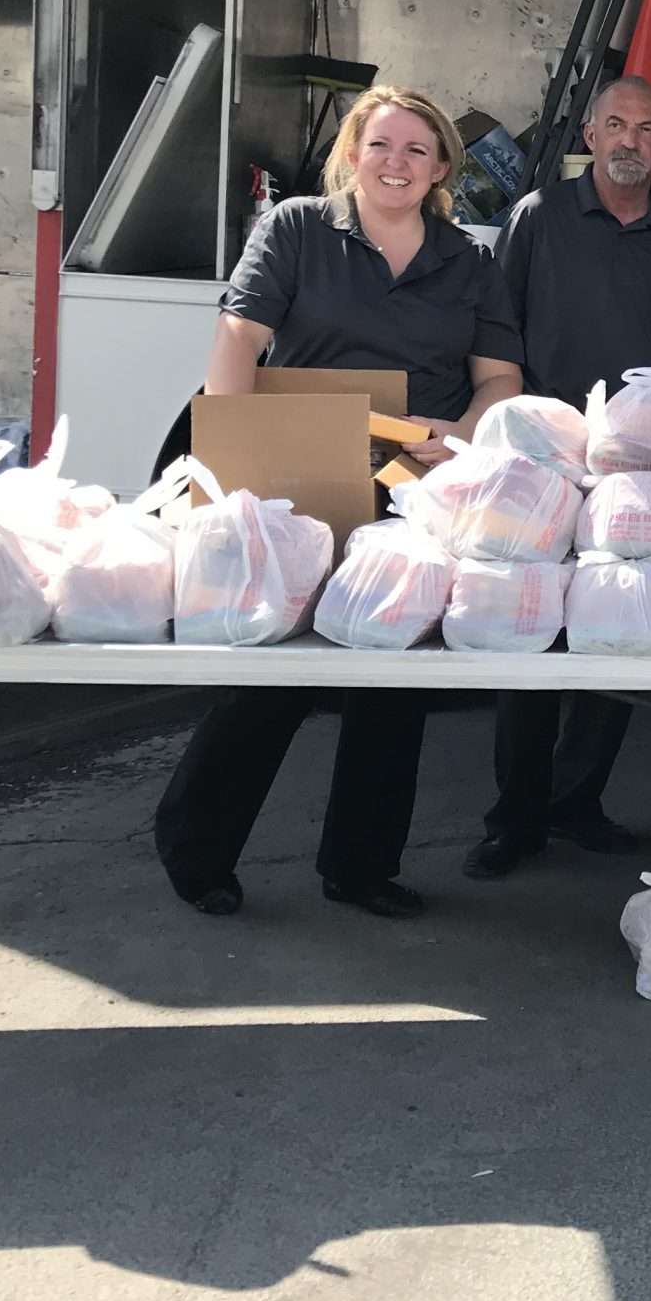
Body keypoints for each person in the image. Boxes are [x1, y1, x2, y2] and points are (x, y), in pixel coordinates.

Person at [153, 88, 523, 919]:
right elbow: (239, 341)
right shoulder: (296, 229)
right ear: (354, 151)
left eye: (418, 151)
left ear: (441, 170)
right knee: (275, 661)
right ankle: (195, 849)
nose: (398, 163)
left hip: (407, 481)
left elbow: (500, 379)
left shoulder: (468, 262)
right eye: (383, 145)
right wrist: (230, 462)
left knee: (390, 670)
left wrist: (459, 431)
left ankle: (361, 867)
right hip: (296, 469)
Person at [466, 76, 651, 881]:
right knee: (528, 639)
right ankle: (515, 816)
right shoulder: (539, 217)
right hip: (542, 462)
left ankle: (577, 802)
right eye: (616, 124)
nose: (630, 141)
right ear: (589, 131)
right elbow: (496, 332)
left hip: (641, 478)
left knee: (615, 633)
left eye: (647, 128)